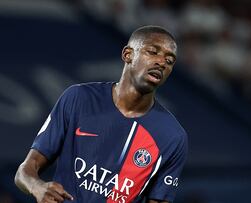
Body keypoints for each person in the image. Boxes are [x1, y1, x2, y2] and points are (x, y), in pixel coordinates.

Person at [14, 25, 188, 203]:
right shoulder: (78, 99)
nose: (161, 62)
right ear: (127, 54)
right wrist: (37, 187)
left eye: (169, 60)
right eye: (152, 51)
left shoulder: (172, 136)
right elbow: (25, 171)